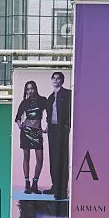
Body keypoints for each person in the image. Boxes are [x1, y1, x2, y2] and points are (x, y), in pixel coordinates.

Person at [43, 72, 71, 201]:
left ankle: (62, 190)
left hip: (62, 129)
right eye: (53, 78)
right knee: (53, 158)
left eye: (58, 78)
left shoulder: (67, 94)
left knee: (62, 159)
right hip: (52, 130)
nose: (55, 80)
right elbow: (49, 115)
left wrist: (67, 126)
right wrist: (48, 127)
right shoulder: (50, 97)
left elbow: (71, 111)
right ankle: (55, 186)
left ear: (62, 80)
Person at [14, 80, 46, 195]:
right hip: (26, 131)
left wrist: (47, 127)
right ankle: (27, 183)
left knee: (40, 159)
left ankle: (35, 183)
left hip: (37, 132)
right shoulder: (24, 102)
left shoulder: (43, 100)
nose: (30, 91)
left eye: (32, 88)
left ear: (35, 88)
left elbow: (51, 113)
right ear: (25, 91)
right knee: (26, 158)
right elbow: (17, 117)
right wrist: (19, 125)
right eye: (28, 89)